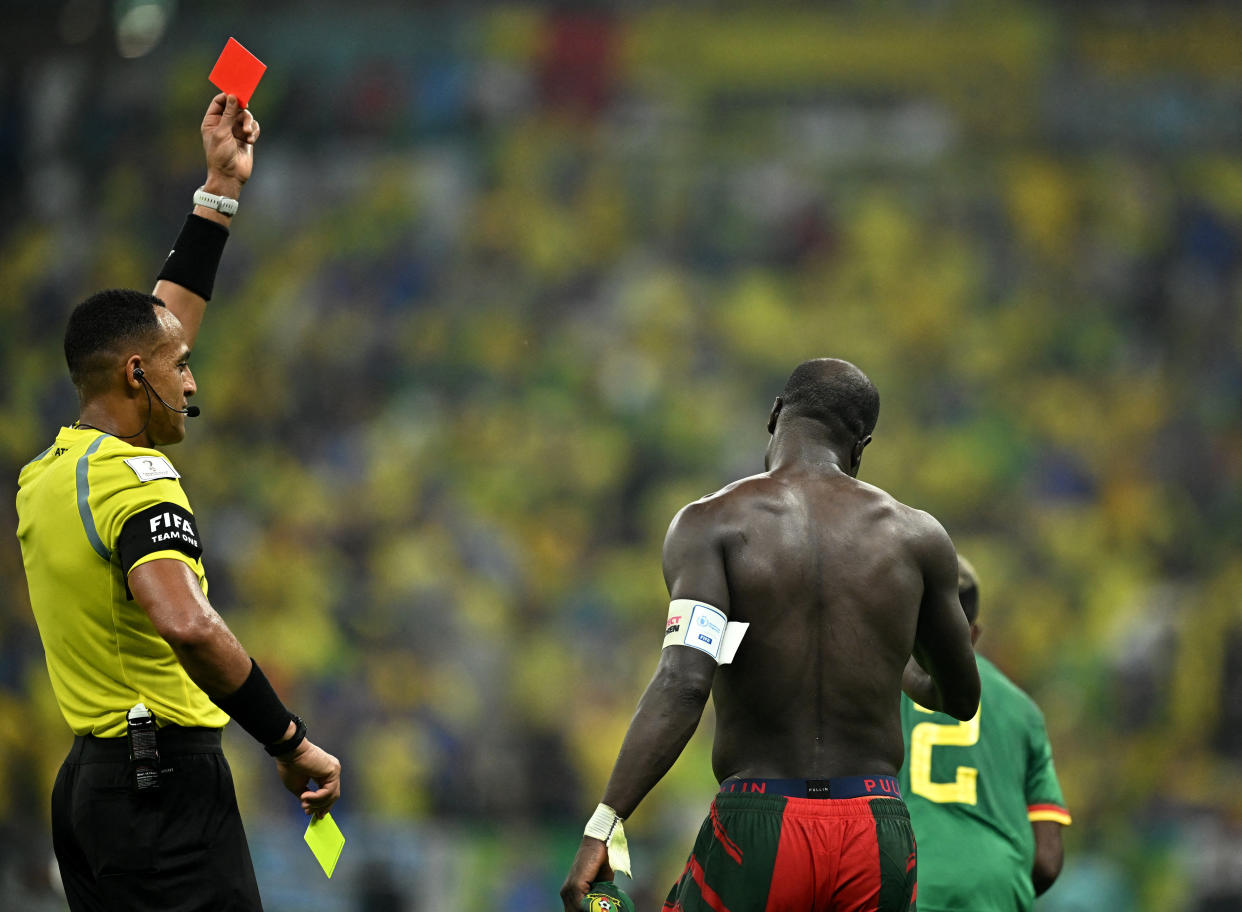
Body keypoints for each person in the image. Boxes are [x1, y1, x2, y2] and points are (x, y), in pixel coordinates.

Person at [16, 93, 341, 912]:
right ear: (134, 376)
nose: (193, 383)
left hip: (92, 786)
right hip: (162, 790)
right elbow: (186, 622)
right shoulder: (139, 480)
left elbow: (163, 325)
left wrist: (219, 190)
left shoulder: (47, 476)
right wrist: (289, 739)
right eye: (181, 369)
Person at [561, 358, 981, 912]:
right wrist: (897, 662)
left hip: (760, 825)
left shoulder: (713, 524)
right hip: (874, 830)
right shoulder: (919, 537)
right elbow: (962, 696)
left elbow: (684, 684)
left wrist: (605, 822)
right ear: (862, 445)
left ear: (775, 415)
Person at [899, 556, 1070, 911]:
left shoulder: (877, 689)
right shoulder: (1023, 710)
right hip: (995, 889)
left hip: (907, 884)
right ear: (973, 633)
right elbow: (1047, 859)